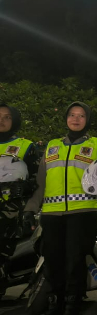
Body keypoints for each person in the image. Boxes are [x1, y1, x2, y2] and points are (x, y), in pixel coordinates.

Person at [23, 102, 97, 315]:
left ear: (87, 120)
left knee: (74, 261)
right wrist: (31, 208)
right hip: (51, 215)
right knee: (53, 262)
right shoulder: (52, 146)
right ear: (66, 118)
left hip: (83, 213)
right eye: (72, 114)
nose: (76, 119)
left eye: (82, 116)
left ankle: (72, 309)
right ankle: (56, 307)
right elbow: (41, 184)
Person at [0, 103, 38, 297]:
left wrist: (26, 186)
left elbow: (39, 179)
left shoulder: (25, 146)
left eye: (7, 117)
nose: (1, 120)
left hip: (9, 214)